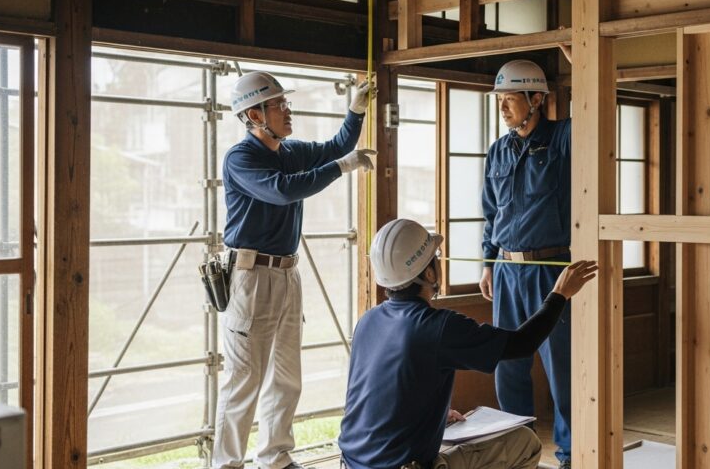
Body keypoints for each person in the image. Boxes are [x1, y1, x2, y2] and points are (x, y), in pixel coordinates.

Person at [338, 218, 598, 469]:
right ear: (429, 273)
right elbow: (522, 344)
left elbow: (376, 394)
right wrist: (559, 294)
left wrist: (432, 415)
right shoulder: (437, 326)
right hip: (403, 466)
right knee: (524, 442)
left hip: (351, 463)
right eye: (435, 259)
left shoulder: (367, 321)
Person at [215, 71, 376, 469]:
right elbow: (283, 189)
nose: (288, 110)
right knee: (243, 382)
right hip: (250, 276)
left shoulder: (290, 150)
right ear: (254, 114)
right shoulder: (241, 158)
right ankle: (226, 464)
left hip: (287, 273)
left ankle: (275, 457)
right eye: (279, 105)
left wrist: (355, 110)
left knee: (286, 377)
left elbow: (338, 145)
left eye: (285, 103)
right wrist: (343, 167)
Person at [478, 59, 574, 468]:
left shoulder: (563, 139)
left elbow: (593, 110)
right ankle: (518, 451)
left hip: (551, 269)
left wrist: (584, 61)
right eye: (500, 99)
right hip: (506, 271)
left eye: (511, 99)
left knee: (562, 367)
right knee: (508, 364)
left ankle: (572, 455)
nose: (502, 107)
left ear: (537, 99)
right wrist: (487, 262)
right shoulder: (499, 150)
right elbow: (489, 212)